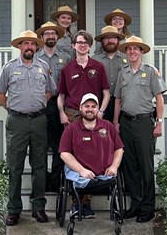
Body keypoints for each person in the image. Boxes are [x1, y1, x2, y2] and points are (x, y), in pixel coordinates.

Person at [0, 30, 56, 226]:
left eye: (32, 44)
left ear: (36, 47)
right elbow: (1, 94)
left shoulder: (43, 67)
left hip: (39, 121)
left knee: (39, 166)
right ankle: (13, 210)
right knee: (15, 166)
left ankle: (38, 207)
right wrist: (15, 109)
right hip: (17, 122)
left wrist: (36, 105)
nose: (29, 47)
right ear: (20, 46)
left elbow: (49, 91)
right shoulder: (9, 68)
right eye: (25, 43)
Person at [113, 36, 167, 223]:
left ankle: (148, 207)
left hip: (144, 123)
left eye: (136, 49)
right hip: (126, 123)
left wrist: (159, 122)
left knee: (145, 166)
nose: (132, 52)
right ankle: (135, 206)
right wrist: (115, 122)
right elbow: (118, 99)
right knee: (130, 166)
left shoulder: (151, 72)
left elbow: (159, 99)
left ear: (141, 52)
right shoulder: (123, 73)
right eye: (129, 49)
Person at [57, 29, 111, 218]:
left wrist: (101, 112)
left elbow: (106, 93)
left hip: (92, 114)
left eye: (85, 43)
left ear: (89, 46)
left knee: (90, 154)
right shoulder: (67, 69)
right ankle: (76, 203)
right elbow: (61, 95)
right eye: (79, 42)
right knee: (74, 156)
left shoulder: (99, 67)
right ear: (73, 46)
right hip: (72, 114)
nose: (82, 45)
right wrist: (62, 113)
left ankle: (86, 204)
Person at [59, 93, 124, 217]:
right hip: (79, 173)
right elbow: (64, 153)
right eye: (87, 106)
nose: (90, 109)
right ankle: (79, 203)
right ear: (80, 108)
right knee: (76, 178)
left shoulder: (108, 126)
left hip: (104, 173)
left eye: (93, 106)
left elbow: (119, 148)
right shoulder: (71, 129)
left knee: (110, 179)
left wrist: (114, 166)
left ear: (98, 108)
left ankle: (88, 197)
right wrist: (81, 170)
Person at [35, 21, 73, 192]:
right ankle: (41, 183)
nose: (50, 36)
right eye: (46, 33)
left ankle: (57, 181)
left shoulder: (66, 58)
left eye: (53, 33)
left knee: (59, 145)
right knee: (40, 146)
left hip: (59, 105)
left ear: (58, 37)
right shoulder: (35, 57)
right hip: (40, 106)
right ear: (42, 37)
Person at [92, 25, 126, 122]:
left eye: (113, 37)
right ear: (102, 41)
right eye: (106, 38)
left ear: (118, 40)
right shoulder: (94, 60)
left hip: (122, 102)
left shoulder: (127, 58)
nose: (110, 40)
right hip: (101, 103)